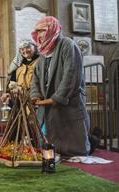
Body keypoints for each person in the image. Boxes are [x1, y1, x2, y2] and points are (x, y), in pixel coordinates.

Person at [30, 16, 90, 156]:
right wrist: (35, 95)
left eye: (42, 31)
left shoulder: (67, 45)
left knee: (71, 145)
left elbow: (71, 74)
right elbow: (36, 79)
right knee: (47, 142)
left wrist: (57, 98)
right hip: (47, 106)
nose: (39, 35)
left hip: (68, 103)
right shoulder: (43, 54)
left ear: (52, 29)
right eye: (37, 32)